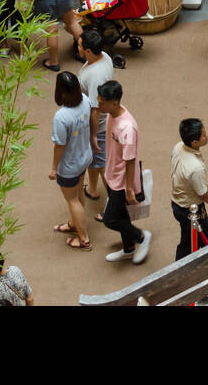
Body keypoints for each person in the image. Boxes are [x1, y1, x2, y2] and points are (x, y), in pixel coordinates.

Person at [96, 80, 152, 264]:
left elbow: (130, 160)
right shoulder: (112, 113)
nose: (99, 105)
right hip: (112, 174)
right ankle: (128, 248)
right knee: (120, 215)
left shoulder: (127, 128)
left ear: (114, 102)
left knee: (111, 219)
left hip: (122, 181)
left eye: (102, 101)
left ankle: (141, 237)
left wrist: (129, 189)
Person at [171, 118, 208, 259]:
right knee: (196, 240)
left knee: (190, 238)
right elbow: (203, 194)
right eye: (203, 135)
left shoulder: (178, 146)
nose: (207, 135)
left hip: (177, 202)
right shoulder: (195, 168)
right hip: (190, 209)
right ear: (195, 142)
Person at [49, 71, 93, 251]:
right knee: (78, 192)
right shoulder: (85, 100)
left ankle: (83, 239)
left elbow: (59, 145)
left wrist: (53, 168)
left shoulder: (61, 117)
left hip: (70, 165)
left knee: (72, 199)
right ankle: (75, 223)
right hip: (85, 156)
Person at [76, 29, 113, 202]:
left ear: (88, 51)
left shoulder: (95, 76)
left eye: (80, 45)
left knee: (102, 165)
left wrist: (92, 135)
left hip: (98, 127)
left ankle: (115, 205)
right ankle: (92, 188)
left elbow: (95, 109)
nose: (78, 47)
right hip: (99, 122)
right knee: (94, 161)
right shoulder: (104, 56)